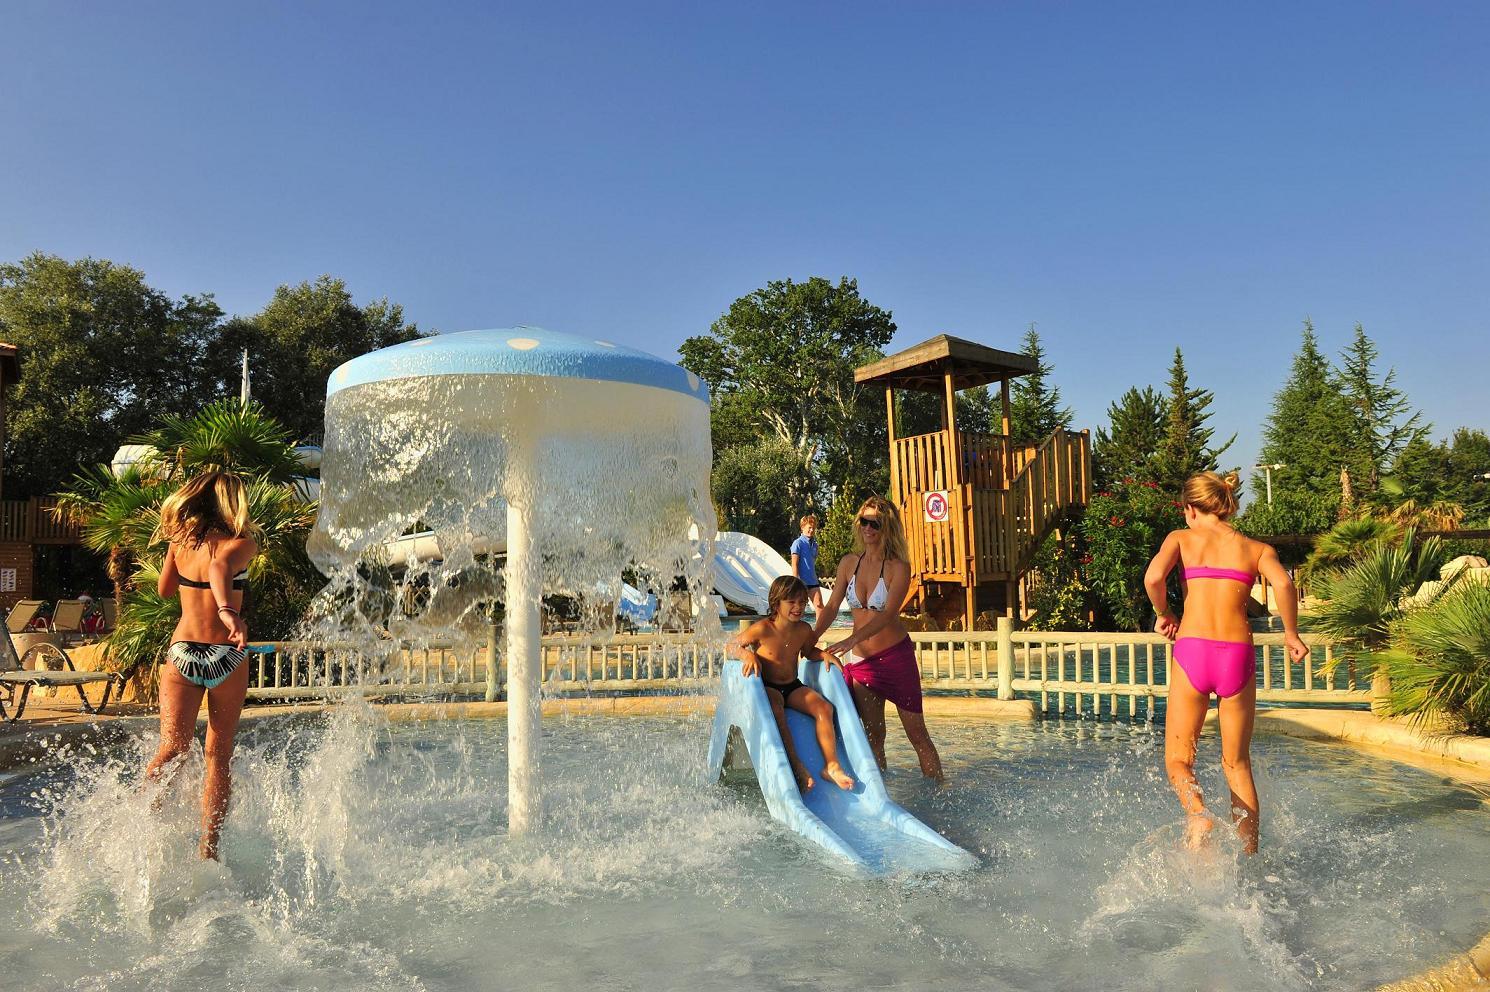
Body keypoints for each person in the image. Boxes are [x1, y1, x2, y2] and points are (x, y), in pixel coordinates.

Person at [1144, 471, 1307, 854]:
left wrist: (1164, 612)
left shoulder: (1180, 539)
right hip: (1236, 654)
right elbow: (1284, 584)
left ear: (1190, 508)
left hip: (1193, 651)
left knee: (1178, 760)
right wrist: (1291, 634)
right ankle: (1249, 855)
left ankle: (1198, 814)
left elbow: (1153, 578)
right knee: (1236, 763)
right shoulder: (1256, 548)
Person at [147, 472, 260, 861]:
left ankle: (139, 823)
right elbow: (219, 568)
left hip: (182, 652)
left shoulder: (180, 541)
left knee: (171, 749)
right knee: (218, 754)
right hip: (225, 653)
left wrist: (178, 555)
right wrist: (227, 610)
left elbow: (164, 590)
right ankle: (208, 850)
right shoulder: (241, 543)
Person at [815, 496, 945, 782]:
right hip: (863, 664)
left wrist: (852, 640)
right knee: (873, 736)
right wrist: (810, 637)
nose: (868, 528)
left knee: (917, 735)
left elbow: (887, 615)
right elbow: (833, 606)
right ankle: (880, 795)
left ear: (888, 527)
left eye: (875, 523)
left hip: (895, 660)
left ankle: (939, 793)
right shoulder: (849, 563)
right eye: (864, 521)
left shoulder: (899, 568)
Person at [731, 575, 855, 794]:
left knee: (824, 708)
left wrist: (823, 655)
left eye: (802, 602)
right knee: (777, 712)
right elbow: (731, 645)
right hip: (768, 687)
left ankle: (832, 766)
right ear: (776, 603)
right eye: (791, 602)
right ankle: (797, 766)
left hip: (792, 685)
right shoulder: (762, 629)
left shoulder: (803, 630)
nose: (798, 607)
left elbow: (808, 652)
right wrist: (747, 655)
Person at [788, 514, 826, 614]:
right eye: (809, 527)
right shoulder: (798, 543)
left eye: (813, 528)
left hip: (813, 582)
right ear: (802, 527)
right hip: (801, 583)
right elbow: (794, 564)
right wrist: (796, 582)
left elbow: (811, 563)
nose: (812, 530)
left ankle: (819, 625)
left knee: (820, 606)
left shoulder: (815, 545)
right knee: (798, 609)